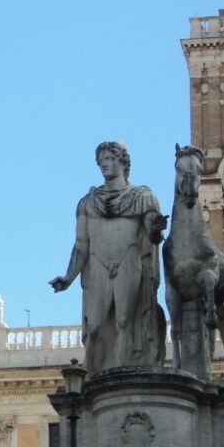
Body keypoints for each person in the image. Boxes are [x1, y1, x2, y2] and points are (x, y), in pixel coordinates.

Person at [50, 141, 166, 375]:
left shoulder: (142, 197)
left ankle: (124, 374)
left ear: (122, 161)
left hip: (129, 262)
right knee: (94, 327)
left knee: (125, 321)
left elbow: (152, 236)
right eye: (100, 160)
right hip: (98, 265)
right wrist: (69, 277)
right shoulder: (88, 202)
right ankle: (93, 378)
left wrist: (156, 229)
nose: (104, 164)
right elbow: (81, 244)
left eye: (109, 159)